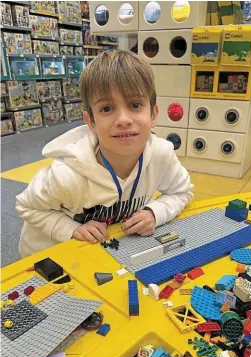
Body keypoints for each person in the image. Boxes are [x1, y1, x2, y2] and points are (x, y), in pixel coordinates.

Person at [16, 50, 193, 257]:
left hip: (101, 252)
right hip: (48, 255)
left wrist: (155, 212)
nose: (123, 119)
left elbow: (182, 192)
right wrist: (70, 229)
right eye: (107, 109)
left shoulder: (162, 155)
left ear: (153, 115)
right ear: (91, 121)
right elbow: (27, 206)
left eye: (135, 105)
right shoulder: (66, 175)